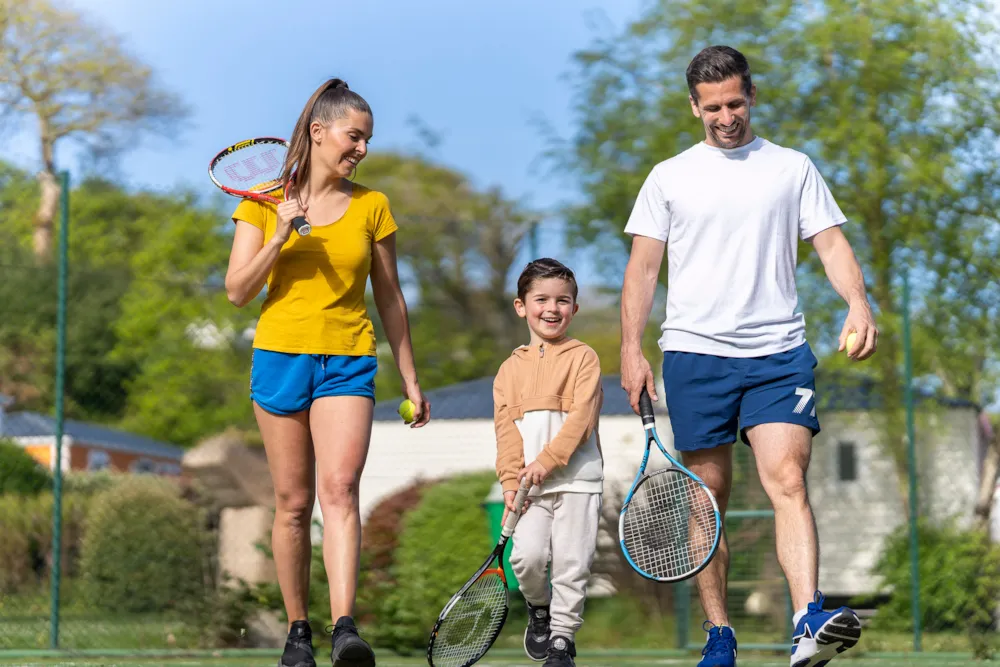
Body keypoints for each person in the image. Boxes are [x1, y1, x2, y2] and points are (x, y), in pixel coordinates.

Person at [618, 46, 877, 667]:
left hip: (778, 353)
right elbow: (642, 271)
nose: (726, 116)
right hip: (694, 355)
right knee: (708, 498)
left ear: (751, 96)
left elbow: (831, 244)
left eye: (735, 102)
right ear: (694, 107)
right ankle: (719, 635)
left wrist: (858, 304)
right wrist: (629, 350)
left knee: (788, 478)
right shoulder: (669, 176)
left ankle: (808, 618)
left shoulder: (791, 168)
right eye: (712, 107)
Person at [225, 78, 430, 667]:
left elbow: (390, 298)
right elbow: (238, 291)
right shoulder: (262, 202)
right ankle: (298, 634)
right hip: (280, 357)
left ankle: (346, 629)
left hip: (347, 361)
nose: (361, 148)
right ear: (319, 133)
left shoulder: (373, 206)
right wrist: (280, 235)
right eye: (354, 135)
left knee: (339, 491)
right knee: (292, 502)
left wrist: (411, 378)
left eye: (366, 139)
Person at [493, 258, 605, 667]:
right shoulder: (507, 371)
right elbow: (505, 433)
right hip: (529, 488)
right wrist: (510, 483)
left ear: (574, 309)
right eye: (541, 299)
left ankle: (561, 639)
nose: (552, 308)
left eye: (563, 300)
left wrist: (547, 460)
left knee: (573, 563)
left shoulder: (584, 358)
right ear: (521, 306)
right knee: (527, 558)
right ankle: (538, 608)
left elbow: (581, 419)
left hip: (578, 480)